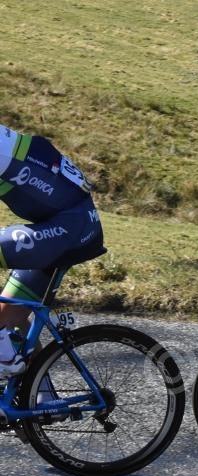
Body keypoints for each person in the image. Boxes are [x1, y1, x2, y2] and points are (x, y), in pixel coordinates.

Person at [0, 124, 105, 377]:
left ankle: (5, 359)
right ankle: (40, 398)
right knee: (7, 319)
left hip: (70, 227)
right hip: (63, 224)